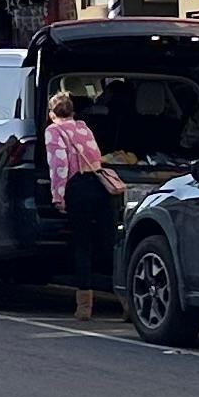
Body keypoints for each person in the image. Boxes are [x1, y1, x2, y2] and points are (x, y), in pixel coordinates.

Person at [45, 89, 122, 320]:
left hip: (78, 188)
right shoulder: (83, 127)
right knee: (108, 244)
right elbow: (96, 154)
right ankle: (127, 300)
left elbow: (59, 166)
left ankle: (84, 306)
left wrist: (58, 196)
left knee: (82, 245)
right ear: (72, 112)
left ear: (51, 114)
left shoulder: (54, 131)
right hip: (100, 187)